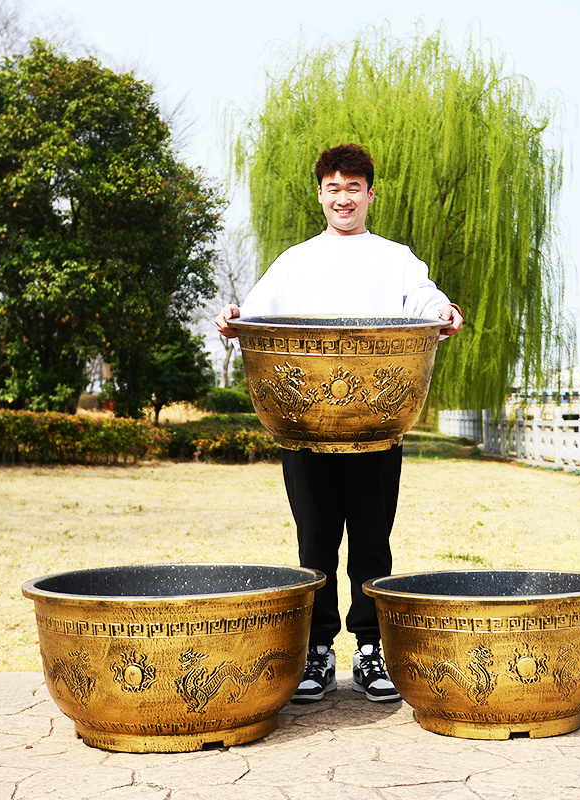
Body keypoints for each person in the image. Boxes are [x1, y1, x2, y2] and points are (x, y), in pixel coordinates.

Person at [216, 143, 462, 703]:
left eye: (353, 188)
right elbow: (256, 311)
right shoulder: (295, 260)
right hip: (306, 428)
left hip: (375, 425)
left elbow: (426, 300)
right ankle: (317, 649)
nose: (343, 198)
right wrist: (234, 318)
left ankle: (373, 650)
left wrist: (443, 311)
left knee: (373, 543)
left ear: (370, 194)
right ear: (320, 194)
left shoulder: (396, 258)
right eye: (333, 188)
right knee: (315, 542)